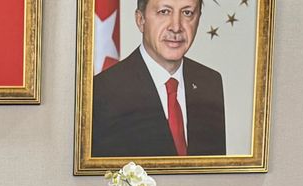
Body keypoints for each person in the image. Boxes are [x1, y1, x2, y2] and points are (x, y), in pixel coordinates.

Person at [90, 0, 225, 157]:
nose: (176, 27)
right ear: (141, 20)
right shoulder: (103, 91)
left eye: (187, 13)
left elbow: (213, 169)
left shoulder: (210, 83)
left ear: (198, 19)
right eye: (164, 12)